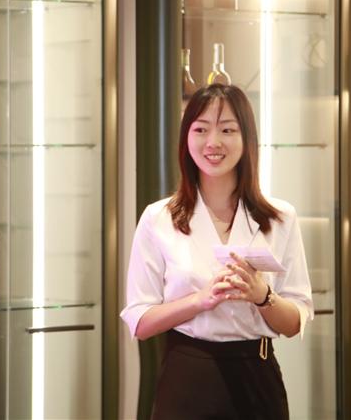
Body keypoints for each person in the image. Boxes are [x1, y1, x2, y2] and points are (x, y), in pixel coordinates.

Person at [120, 83, 313, 420]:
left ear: (246, 139)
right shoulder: (158, 217)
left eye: (227, 130)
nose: (213, 142)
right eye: (201, 129)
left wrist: (262, 295)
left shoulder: (280, 217)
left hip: (257, 378)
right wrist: (200, 300)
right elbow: (140, 321)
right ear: (186, 138)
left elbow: (295, 321)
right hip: (187, 377)